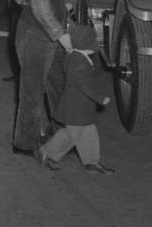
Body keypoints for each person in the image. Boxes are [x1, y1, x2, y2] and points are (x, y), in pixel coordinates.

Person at [12, 0, 77, 157]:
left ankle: (61, 139)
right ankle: (24, 142)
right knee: (32, 90)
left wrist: (63, 6)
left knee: (57, 86)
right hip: (35, 35)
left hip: (47, 36)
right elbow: (39, 8)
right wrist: (62, 35)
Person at [35, 24, 115, 175]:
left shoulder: (77, 56)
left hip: (81, 106)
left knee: (88, 131)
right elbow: (83, 85)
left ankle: (91, 161)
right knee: (72, 134)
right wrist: (100, 98)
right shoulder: (77, 62)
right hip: (75, 107)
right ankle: (46, 151)